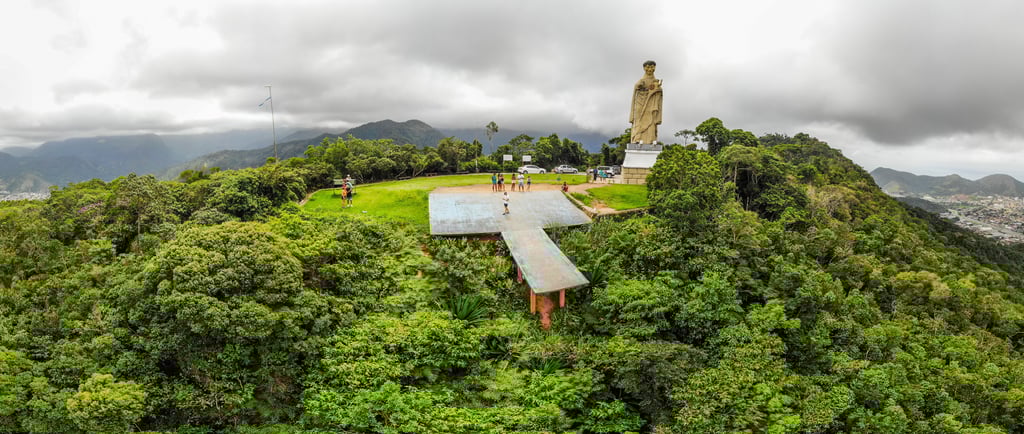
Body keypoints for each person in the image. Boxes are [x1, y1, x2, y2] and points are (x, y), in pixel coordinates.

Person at [629, 60, 663, 144]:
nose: (650, 69)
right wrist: (639, 87)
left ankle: (650, 140)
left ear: (654, 67)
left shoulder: (656, 81)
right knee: (639, 120)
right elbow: (636, 90)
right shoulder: (641, 81)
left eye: (652, 67)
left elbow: (658, 91)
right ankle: (637, 138)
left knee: (651, 121)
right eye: (648, 67)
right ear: (644, 68)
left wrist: (658, 89)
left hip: (651, 104)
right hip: (640, 103)